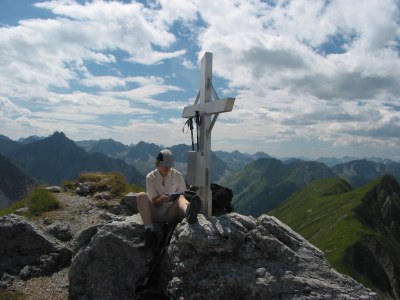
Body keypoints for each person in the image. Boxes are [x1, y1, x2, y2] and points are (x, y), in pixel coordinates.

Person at [136, 149, 201, 249]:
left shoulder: (177, 175)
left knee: (181, 197)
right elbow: (154, 203)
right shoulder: (151, 177)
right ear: (158, 163)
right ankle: (150, 232)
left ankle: (188, 211)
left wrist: (174, 198)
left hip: (171, 213)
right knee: (141, 196)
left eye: (169, 165)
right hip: (156, 212)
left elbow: (183, 194)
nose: (167, 167)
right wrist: (161, 200)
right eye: (165, 165)